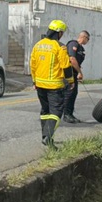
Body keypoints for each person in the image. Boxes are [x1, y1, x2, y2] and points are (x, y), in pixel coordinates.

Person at [30, 19, 71, 148]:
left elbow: (33, 65)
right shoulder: (60, 47)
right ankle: (48, 136)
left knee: (45, 111)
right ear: (59, 33)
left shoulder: (38, 45)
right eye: (62, 33)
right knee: (56, 112)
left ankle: (45, 137)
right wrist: (70, 81)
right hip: (54, 86)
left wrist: (34, 81)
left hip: (40, 85)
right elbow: (66, 66)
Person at [62, 30, 90, 123]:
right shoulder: (73, 44)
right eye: (88, 39)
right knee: (69, 93)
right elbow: (72, 59)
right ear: (84, 37)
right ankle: (66, 115)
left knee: (73, 93)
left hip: (74, 74)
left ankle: (70, 114)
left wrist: (78, 72)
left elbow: (77, 62)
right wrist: (80, 72)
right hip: (68, 73)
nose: (88, 41)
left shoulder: (81, 49)